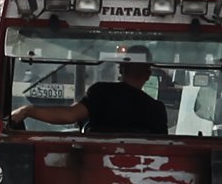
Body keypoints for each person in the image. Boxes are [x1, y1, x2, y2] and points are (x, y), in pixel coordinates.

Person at [10, 45, 169, 135]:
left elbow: (69, 115)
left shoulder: (101, 92)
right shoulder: (156, 110)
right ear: (148, 74)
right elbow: (164, 149)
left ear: (121, 68)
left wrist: (27, 111)